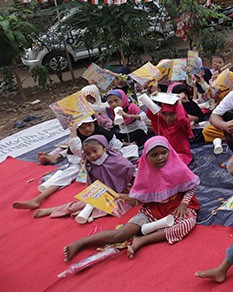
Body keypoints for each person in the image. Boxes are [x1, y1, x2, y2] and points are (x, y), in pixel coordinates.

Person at [64, 136, 200, 260]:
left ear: (170, 152)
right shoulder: (144, 174)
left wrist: (184, 204)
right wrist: (132, 199)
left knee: (185, 224)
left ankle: (142, 240)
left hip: (177, 208)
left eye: (164, 153)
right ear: (146, 157)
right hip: (152, 210)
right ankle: (82, 242)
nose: (160, 158)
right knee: (121, 235)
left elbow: (190, 186)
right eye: (154, 155)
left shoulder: (178, 168)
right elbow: (142, 199)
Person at [33, 134, 135, 220]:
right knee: (86, 203)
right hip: (105, 193)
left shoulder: (118, 161)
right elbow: (93, 183)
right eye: (88, 154)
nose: (93, 156)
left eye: (95, 151)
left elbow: (131, 173)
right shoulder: (90, 164)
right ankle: (56, 209)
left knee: (118, 205)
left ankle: (82, 212)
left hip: (124, 192)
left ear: (104, 148)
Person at [146, 101, 193, 165]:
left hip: (181, 155)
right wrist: (152, 100)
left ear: (177, 113)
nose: (168, 118)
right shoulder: (162, 122)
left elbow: (182, 119)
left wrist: (179, 103)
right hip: (165, 154)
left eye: (172, 114)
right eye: (164, 114)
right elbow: (150, 115)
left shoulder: (181, 125)